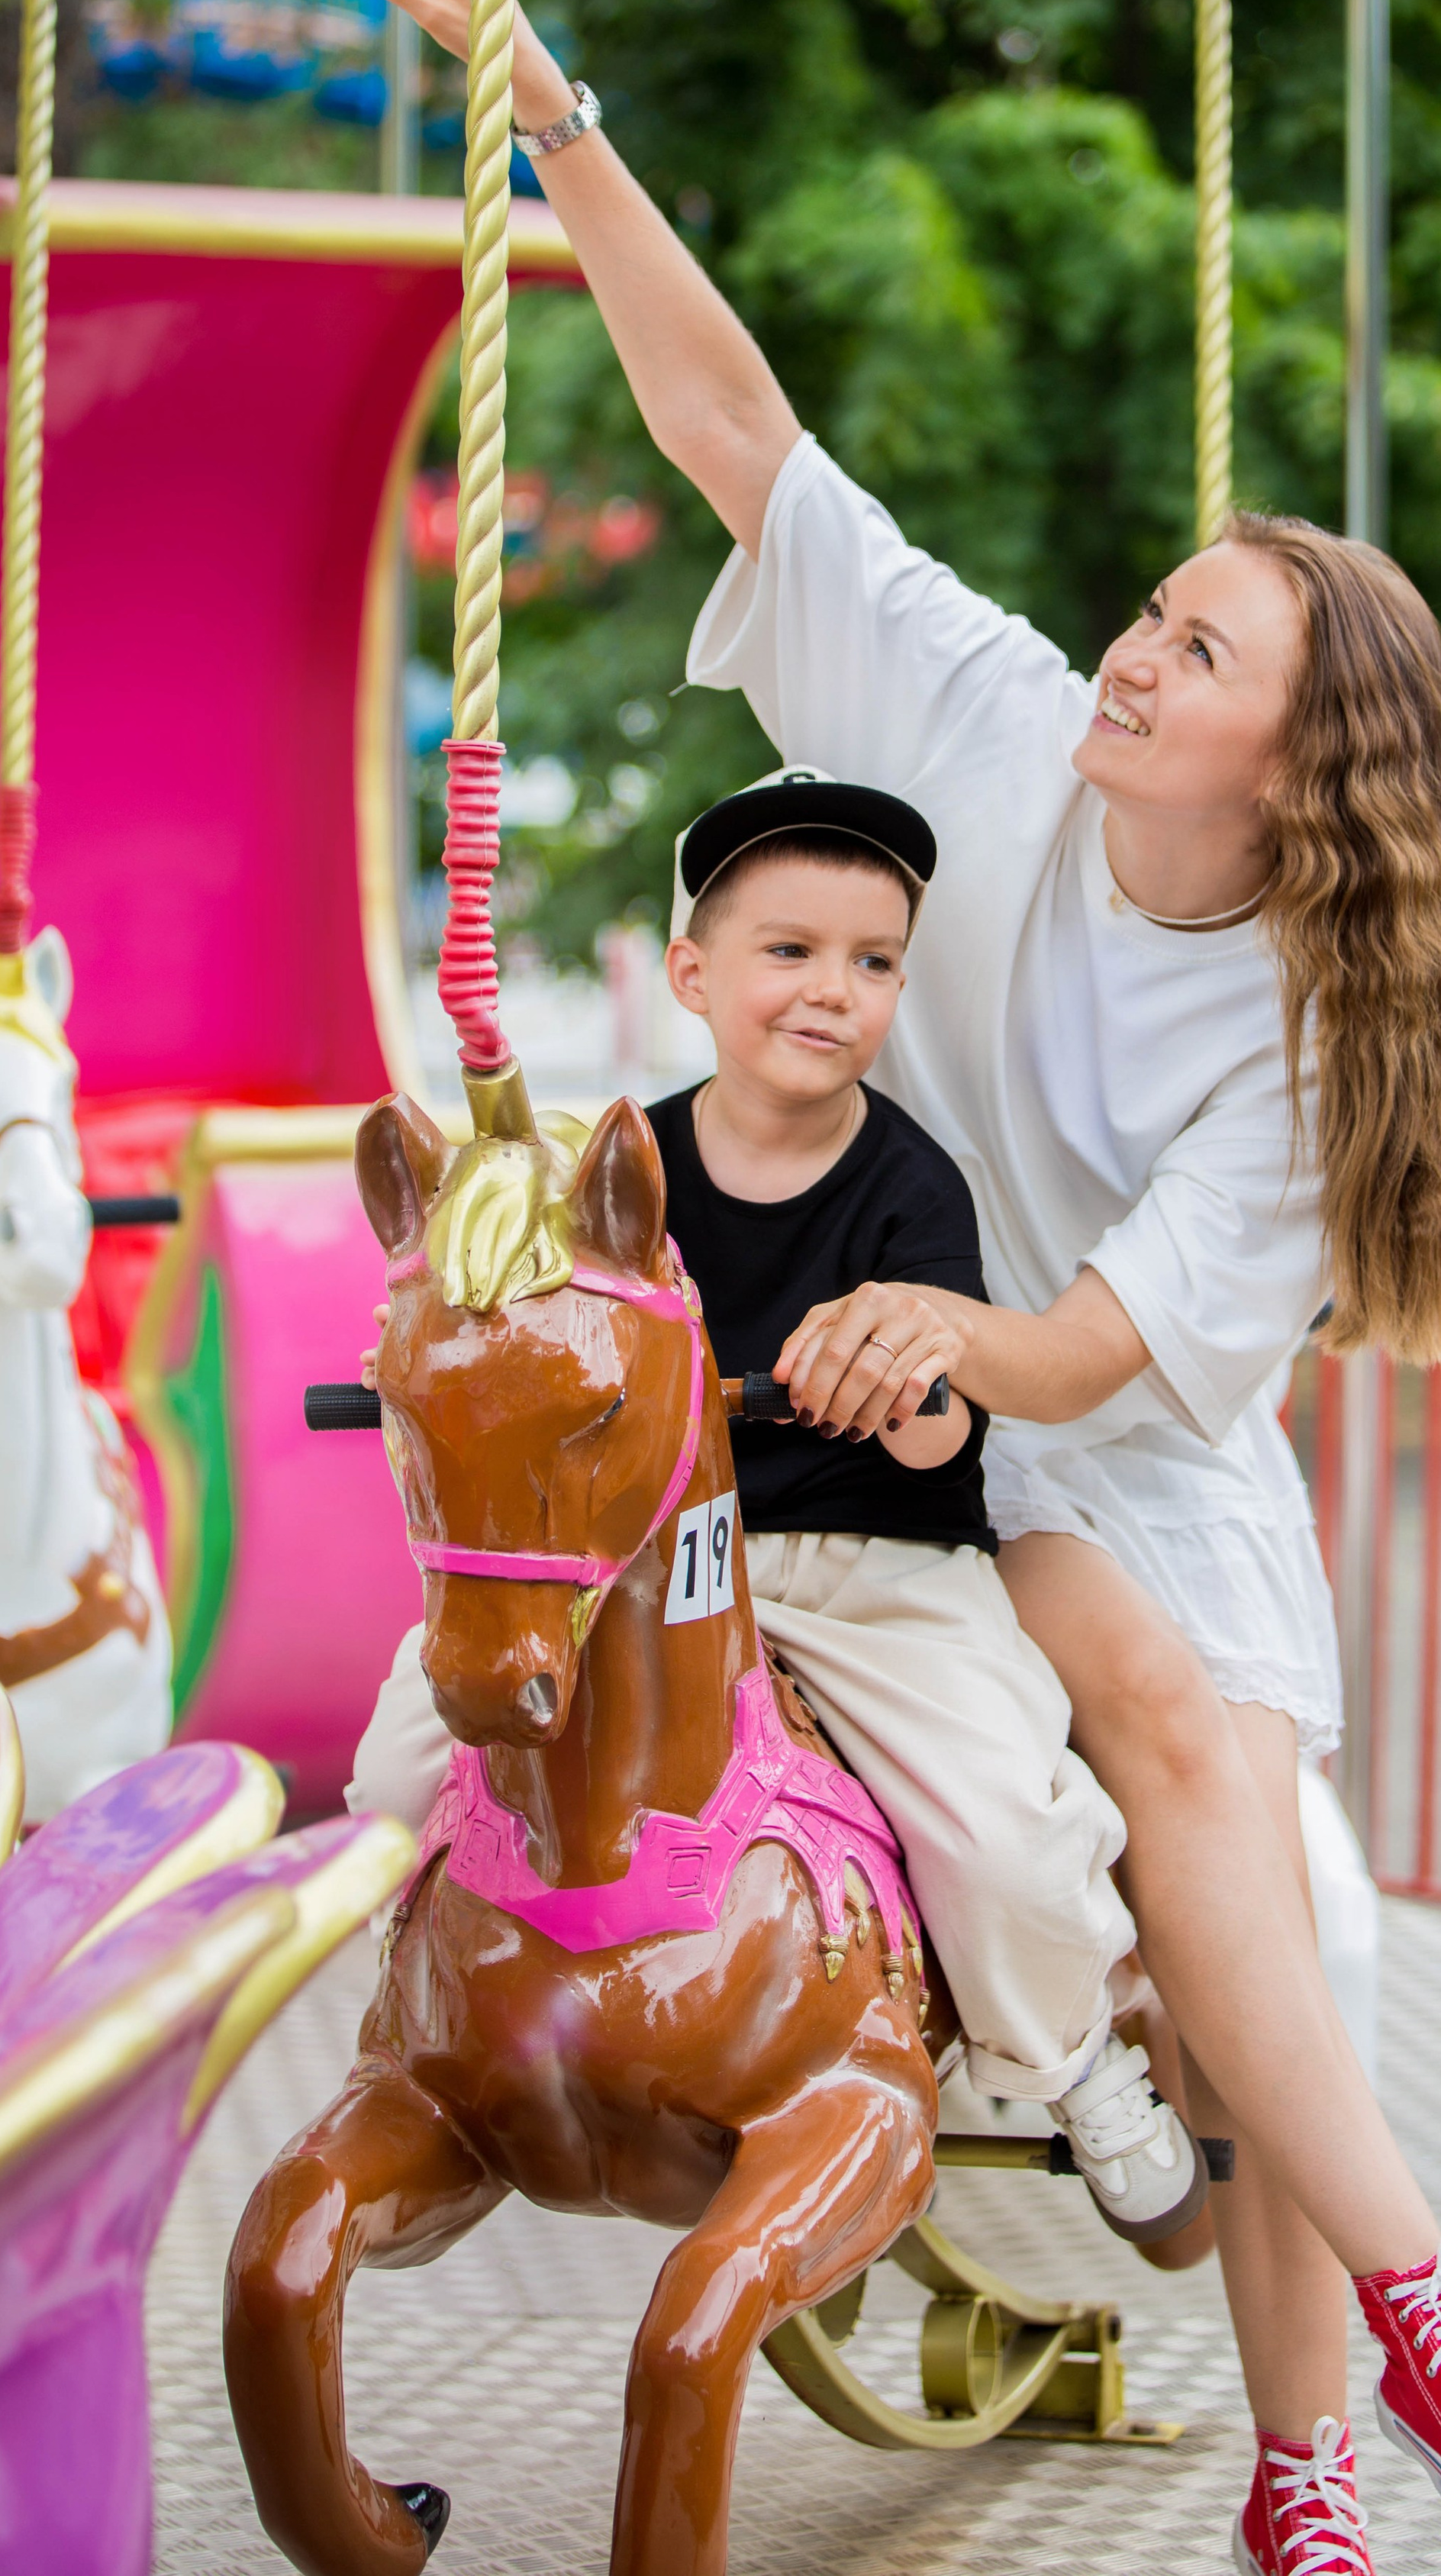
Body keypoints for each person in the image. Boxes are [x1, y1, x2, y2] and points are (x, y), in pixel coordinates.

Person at [356, 0, 1441, 2576]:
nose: (1129, 651)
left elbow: (1086, 1365)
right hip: (877, 1418)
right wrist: (527, 89)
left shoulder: (1311, 1027)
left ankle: (1344, 2403)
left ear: (1291, 767)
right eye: (1153, 618)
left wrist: (947, 1341)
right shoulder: (988, 719)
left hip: (1111, 1460)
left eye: (1191, 652)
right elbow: (733, 432)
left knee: (1250, 1843)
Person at [350, 767, 1207, 2243]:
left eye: (874, 963)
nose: (835, 992)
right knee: (390, 1775)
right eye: (791, 952)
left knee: (998, 1827)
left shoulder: (908, 1183)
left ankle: (1077, 2061)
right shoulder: (634, 1172)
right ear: (693, 974)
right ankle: (432, 2028)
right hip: (660, 1568)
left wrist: (906, 1386)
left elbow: (946, 1434)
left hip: (876, 1569)